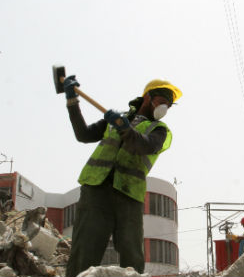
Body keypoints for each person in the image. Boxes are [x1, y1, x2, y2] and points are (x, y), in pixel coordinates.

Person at [62, 75, 182, 277]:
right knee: (85, 249)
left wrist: (125, 127)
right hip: (96, 189)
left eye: (168, 106)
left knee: (132, 255)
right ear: (148, 98)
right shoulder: (116, 120)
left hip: (128, 195)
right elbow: (83, 134)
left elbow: (144, 145)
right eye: (162, 102)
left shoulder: (159, 130)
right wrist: (72, 102)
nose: (164, 109)